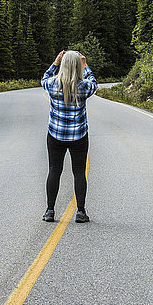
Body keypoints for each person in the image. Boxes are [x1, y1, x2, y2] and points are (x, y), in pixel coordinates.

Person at [41, 49, 98, 223]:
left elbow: (44, 78)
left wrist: (55, 62)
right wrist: (85, 65)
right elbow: (94, 83)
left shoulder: (52, 84)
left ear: (63, 65)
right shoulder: (84, 86)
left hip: (55, 134)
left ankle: (50, 211)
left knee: (54, 170)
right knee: (79, 172)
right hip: (78, 135)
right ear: (78, 67)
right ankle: (80, 212)